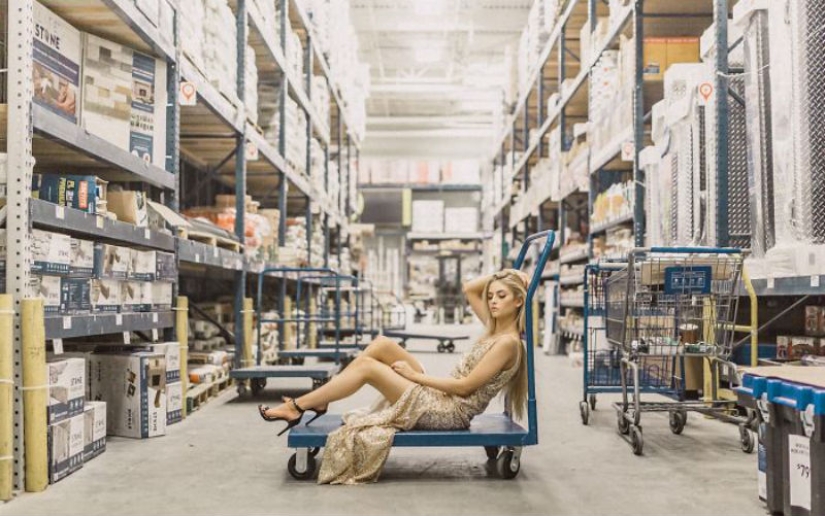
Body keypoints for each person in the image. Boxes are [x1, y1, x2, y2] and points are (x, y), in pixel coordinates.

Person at [257, 268, 531, 485]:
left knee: (367, 368)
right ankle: (319, 400)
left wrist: (414, 376)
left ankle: (298, 406)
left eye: (501, 296)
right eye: (492, 295)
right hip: (440, 396)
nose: (493, 301)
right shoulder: (494, 328)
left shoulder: (508, 343)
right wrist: (509, 272)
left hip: (449, 410)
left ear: (519, 300)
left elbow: (464, 388)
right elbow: (470, 288)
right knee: (381, 344)